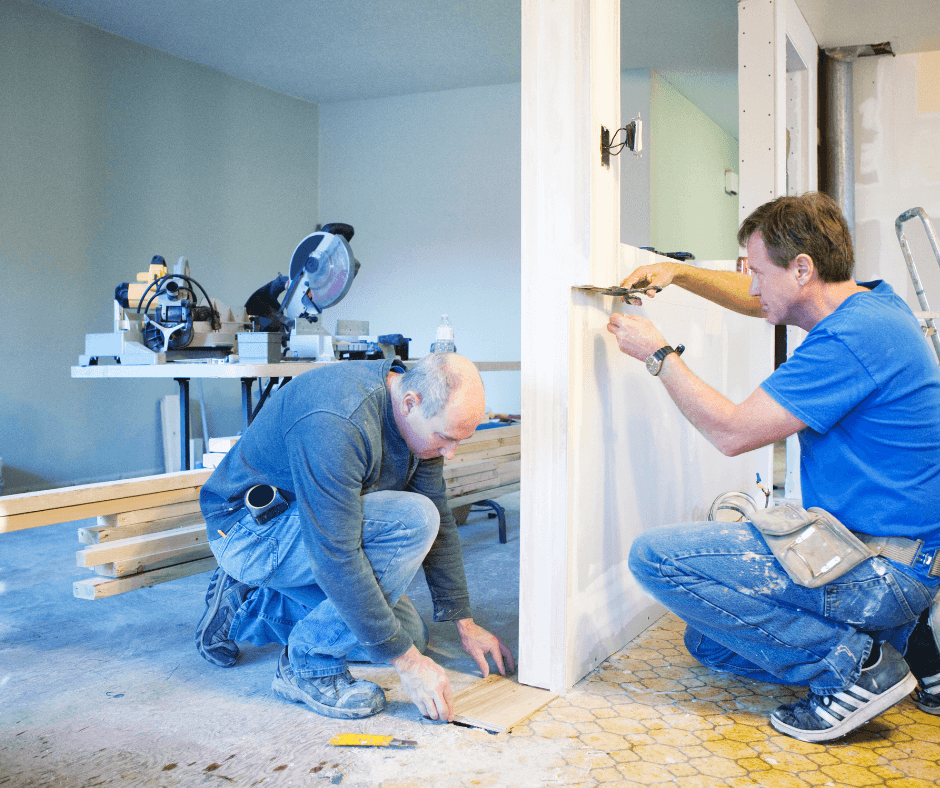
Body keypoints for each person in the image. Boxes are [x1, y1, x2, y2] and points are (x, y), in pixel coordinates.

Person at [606, 192, 940, 741]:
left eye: (758, 271)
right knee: (708, 640)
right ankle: (908, 642)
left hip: (881, 564)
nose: (753, 286)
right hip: (895, 553)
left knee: (655, 560)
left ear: (802, 269)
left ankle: (857, 667)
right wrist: (678, 273)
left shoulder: (849, 341)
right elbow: (764, 297)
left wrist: (658, 356)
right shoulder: (874, 306)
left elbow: (732, 433)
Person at [193, 352, 514, 721]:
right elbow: (336, 554)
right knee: (412, 521)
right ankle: (308, 665)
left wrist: (464, 622)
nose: (450, 453)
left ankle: (250, 604)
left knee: (407, 633)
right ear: (412, 403)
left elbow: (441, 519)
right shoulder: (337, 419)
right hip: (249, 532)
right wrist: (409, 665)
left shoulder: (419, 424)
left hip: (308, 527)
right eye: (445, 438)